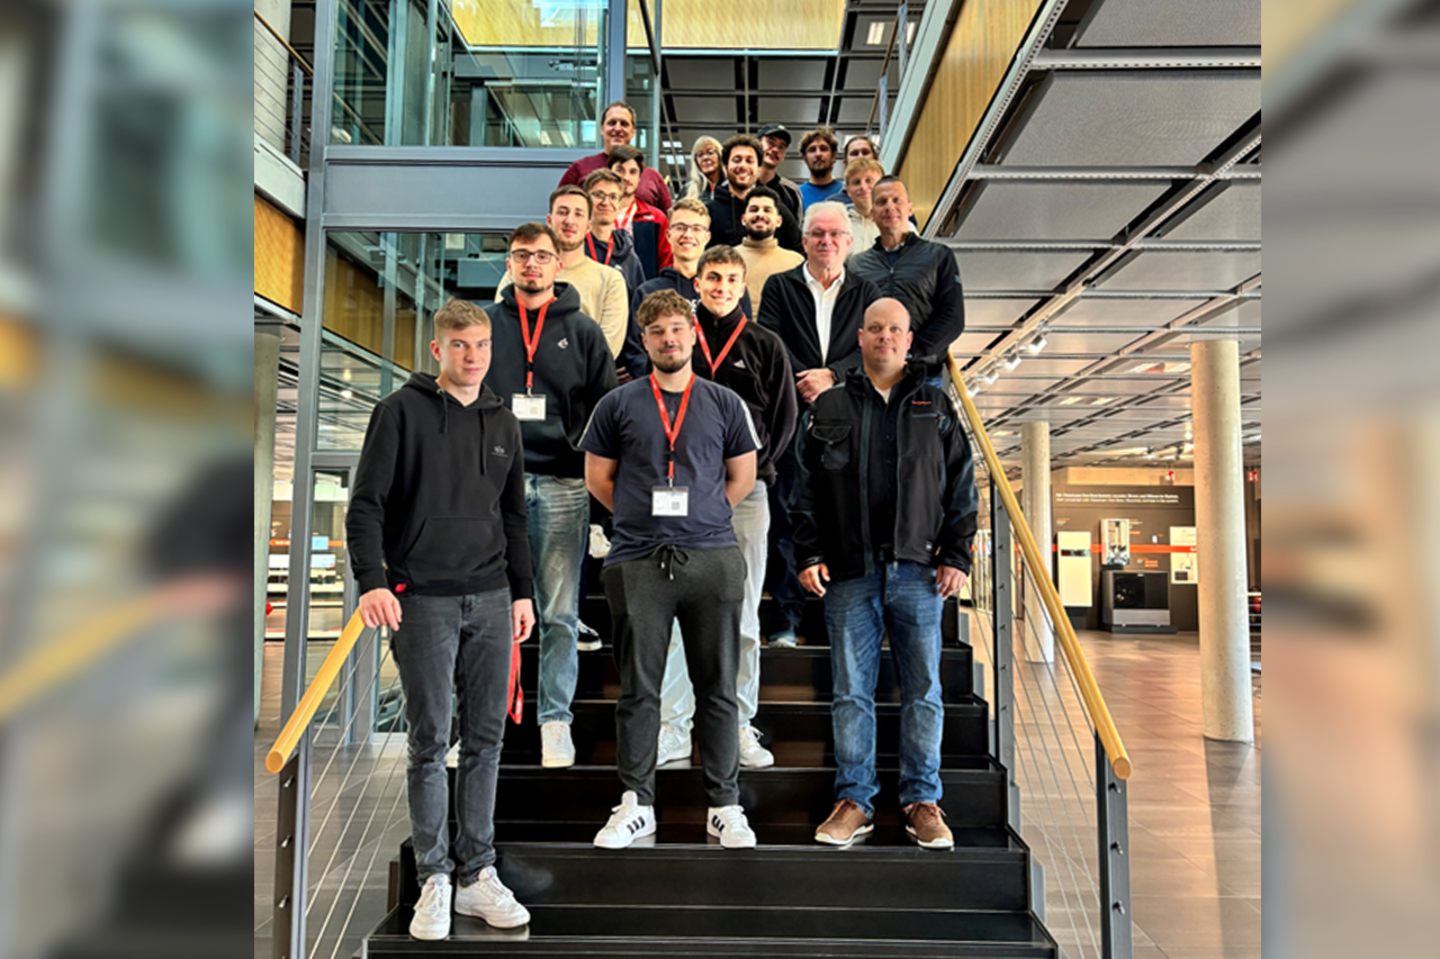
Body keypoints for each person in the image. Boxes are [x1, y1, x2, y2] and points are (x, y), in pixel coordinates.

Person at [348, 298, 536, 939]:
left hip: (489, 597)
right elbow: (365, 507)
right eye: (460, 344)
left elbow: (514, 516)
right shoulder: (398, 414)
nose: (472, 355)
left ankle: (475, 875)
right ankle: (433, 876)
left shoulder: (504, 422)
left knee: (486, 741)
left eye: (481, 344)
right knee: (430, 742)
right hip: (421, 599)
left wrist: (522, 592)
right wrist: (373, 583)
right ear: (437, 350)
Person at [790, 297, 978, 851]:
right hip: (849, 571)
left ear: (909, 336)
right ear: (861, 335)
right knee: (852, 692)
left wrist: (957, 554)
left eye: (895, 329)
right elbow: (804, 492)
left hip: (921, 573)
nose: (885, 338)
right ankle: (855, 800)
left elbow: (961, 487)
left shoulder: (936, 404)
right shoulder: (828, 408)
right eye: (875, 329)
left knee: (923, 691)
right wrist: (808, 552)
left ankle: (923, 800)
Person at [581, 288, 762, 850]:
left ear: (692, 334)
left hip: (712, 559)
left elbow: (743, 475)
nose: (668, 339)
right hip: (638, 559)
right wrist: (641, 519)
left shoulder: (724, 402)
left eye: (677, 329)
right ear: (644, 340)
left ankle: (724, 805)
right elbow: (598, 478)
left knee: (718, 689)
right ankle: (637, 803)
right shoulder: (617, 402)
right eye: (656, 331)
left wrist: (702, 519)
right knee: (639, 690)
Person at [655, 246, 796, 771]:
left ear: (743, 286)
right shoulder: (680, 343)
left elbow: (782, 424)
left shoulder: (764, 345)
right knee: (672, 616)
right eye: (712, 277)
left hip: (745, 498)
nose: (721, 286)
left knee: (743, 617)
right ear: (698, 282)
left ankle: (737, 722)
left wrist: (742, 478)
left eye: (731, 279)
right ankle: (675, 724)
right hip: (679, 499)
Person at [484, 223, 619, 770]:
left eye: (542, 256)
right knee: (490, 610)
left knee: (560, 613)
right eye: (521, 256)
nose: (532, 265)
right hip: (496, 487)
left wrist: (592, 486)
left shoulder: (584, 331)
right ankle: (482, 721)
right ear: (510, 263)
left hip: (564, 483)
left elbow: (604, 411)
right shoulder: (487, 325)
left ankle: (554, 721)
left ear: (559, 263)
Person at [756, 201, 882, 648]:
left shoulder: (868, 292)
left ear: (849, 242)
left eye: (835, 234)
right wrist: (806, 380)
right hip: (790, 412)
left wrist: (833, 376)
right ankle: (786, 618)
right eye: (817, 233)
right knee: (787, 514)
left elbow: (874, 348)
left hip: (849, 417)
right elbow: (768, 341)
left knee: (844, 514)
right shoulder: (779, 286)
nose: (826, 241)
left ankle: (843, 617)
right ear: (804, 240)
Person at [620, 200, 755, 379]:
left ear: (707, 237)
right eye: (680, 227)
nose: (688, 234)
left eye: (697, 228)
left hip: (720, 391)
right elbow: (635, 350)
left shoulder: (726, 291)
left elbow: (743, 342)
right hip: (662, 389)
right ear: (668, 235)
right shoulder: (647, 292)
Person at [495, 186, 628, 359]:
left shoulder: (610, 280)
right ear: (549, 221)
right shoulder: (522, 272)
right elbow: (501, 330)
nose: (569, 220)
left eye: (578, 214)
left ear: (589, 225)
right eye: (562, 212)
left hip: (582, 383)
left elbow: (607, 349)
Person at [849, 176, 965, 367]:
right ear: (872, 214)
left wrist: (910, 352)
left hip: (925, 372)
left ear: (909, 209)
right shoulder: (855, 265)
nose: (889, 206)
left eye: (897, 200)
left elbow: (953, 317)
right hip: (870, 374)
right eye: (881, 202)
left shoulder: (938, 256)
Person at [559, 100, 673, 211]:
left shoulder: (652, 177)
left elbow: (670, 219)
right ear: (601, 129)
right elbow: (560, 207)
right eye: (612, 123)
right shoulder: (579, 168)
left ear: (633, 132)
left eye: (624, 124)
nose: (618, 128)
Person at [705, 133, 802, 253]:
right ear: (725, 168)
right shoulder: (708, 213)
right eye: (737, 160)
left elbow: (798, 253)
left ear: (759, 169)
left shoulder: (776, 210)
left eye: (749, 161)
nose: (743, 165)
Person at [607, 144, 673, 281]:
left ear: (639, 178)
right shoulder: (593, 215)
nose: (626, 177)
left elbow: (666, 263)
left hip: (644, 293)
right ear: (609, 172)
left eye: (633, 172)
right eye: (620, 170)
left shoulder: (656, 218)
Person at [734, 185, 803, 314]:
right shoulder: (728, 258)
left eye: (767, 210)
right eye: (754, 209)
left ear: (779, 221)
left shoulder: (796, 262)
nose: (760, 214)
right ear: (743, 220)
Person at [583, 169, 647, 293]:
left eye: (613, 197)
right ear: (586, 201)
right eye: (599, 195)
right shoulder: (573, 250)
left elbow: (638, 308)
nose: (606, 202)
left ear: (619, 206)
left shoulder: (630, 259)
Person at [755, 123, 804, 218]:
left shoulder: (791, 192)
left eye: (781, 147)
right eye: (770, 143)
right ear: (757, 145)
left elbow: (796, 230)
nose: (775, 150)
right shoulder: (740, 186)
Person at [841, 157, 885, 256]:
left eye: (869, 181)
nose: (863, 187)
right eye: (856, 182)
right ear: (848, 191)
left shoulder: (901, 225)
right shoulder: (836, 226)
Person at [797, 127, 845, 209]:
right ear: (805, 159)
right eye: (812, 150)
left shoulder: (846, 191)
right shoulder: (796, 195)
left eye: (823, 149)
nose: (818, 154)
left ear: (833, 156)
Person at [684, 135, 723, 201]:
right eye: (700, 155)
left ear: (719, 156)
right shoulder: (687, 191)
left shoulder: (732, 188)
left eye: (710, 153)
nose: (705, 158)